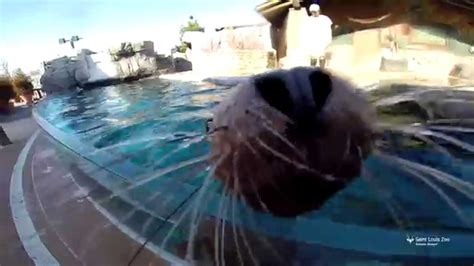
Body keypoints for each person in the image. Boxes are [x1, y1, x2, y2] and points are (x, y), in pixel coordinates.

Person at [305, 4, 333, 68]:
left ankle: (321, 71)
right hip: (313, 42)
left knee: (322, 56)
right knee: (313, 57)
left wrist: (328, 40)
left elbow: (328, 30)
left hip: (322, 41)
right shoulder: (308, 20)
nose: (314, 13)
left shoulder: (325, 19)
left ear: (319, 11)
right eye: (313, 12)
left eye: (316, 11)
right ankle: (312, 70)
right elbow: (306, 32)